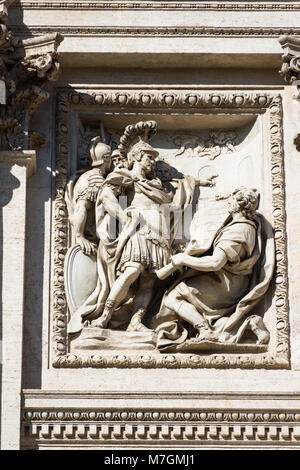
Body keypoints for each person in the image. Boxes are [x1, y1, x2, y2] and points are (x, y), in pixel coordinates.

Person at [154, 187, 275, 349]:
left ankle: (204, 331)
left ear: (238, 205)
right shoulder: (248, 226)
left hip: (226, 283)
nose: (229, 203)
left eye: (232, 201)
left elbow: (215, 263)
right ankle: (248, 324)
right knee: (212, 319)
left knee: (174, 297)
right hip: (234, 282)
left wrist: (184, 259)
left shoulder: (238, 230)